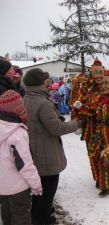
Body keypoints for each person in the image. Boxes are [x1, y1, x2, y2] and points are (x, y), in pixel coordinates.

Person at [23, 68, 81, 225]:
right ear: (40, 83)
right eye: (45, 80)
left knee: (38, 188)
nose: (47, 83)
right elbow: (57, 129)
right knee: (48, 188)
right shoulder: (42, 103)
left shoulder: (26, 98)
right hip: (45, 152)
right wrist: (77, 123)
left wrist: (56, 118)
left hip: (33, 149)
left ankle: (38, 213)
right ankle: (42, 218)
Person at [0, 90, 42, 225]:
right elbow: (25, 164)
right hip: (18, 188)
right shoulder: (17, 134)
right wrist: (36, 185)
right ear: (18, 110)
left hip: (2, 187)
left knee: (7, 217)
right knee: (21, 218)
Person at [72, 59, 105, 188]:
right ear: (91, 73)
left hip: (105, 127)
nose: (98, 76)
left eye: (100, 72)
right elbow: (78, 104)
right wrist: (78, 111)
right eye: (95, 72)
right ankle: (97, 177)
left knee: (105, 152)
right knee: (92, 153)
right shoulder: (85, 87)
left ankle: (105, 177)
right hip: (90, 126)